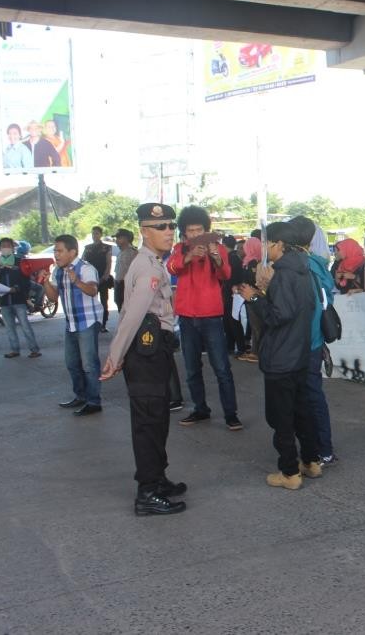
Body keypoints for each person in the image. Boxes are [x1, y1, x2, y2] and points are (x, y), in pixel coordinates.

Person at [100, 202, 187, 516]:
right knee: (149, 422)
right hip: (146, 352)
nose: (168, 232)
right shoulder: (149, 266)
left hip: (153, 350)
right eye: (160, 227)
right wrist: (115, 355)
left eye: (170, 225)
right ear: (143, 231)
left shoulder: (151, 261)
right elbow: (133, 315)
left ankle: (157, 479)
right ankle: (147, 492)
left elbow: (126, 310)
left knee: (158, 418)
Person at [239, 221, 323, 490]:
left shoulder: (284, 274)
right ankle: (311, 461)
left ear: (278, 245)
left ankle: (289, 472)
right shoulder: (304, 270)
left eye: (266, 243)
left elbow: (279, 315)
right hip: (299, 352)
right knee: (301, 412)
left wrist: (254, 298)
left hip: (281, 356)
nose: (264, 249)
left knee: (281, 418)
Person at [168, 206, 242, 431]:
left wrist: (217, 258)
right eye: (190, 230)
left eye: (198, 229)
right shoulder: (179, 249)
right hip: (187, 316)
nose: (194, 234)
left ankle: (231, 414)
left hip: (211, 315)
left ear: (205, 229)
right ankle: (200, 409)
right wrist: (189, 257)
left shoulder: (217, 248)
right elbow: (171, 267)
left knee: (221, 367)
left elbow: (226, 275)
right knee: (191, 367)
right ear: (184, 232)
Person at [290, 216, 339, 467]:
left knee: (304, 396)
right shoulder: (319, 264)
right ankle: (324, 448)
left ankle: (315, 450)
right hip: (315, 340)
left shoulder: (301, 266)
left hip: (301, 340)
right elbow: (326, 300)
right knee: (313, 394)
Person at [43, 234, 104, 417]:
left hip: (88, 322)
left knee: (89, 365)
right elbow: (53, 298)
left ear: (72, 252)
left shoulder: (85, 268)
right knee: (72, 363)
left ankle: (94, 402)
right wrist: (46, 282)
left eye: (60, 251)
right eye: (55, 250)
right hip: (71, 324)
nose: (56, 254)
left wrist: (76, 280)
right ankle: (81, 396)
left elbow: (93, 290)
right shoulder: (58, 271)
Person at [0, 237, 41, 359]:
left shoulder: (20, 262)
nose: (5, 248)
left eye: (8, 245)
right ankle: (14, 350)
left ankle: (34, 349)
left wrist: (18, 288)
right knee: (10, 328)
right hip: (4, 301)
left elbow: (26, 280)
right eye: (3, 246)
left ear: (13, 248)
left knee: (25, 326)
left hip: (18, 300)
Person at [237, 236, 264, 362]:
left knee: (256, 325)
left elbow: (253, 281)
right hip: (250, 296)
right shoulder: (250, 261)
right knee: (254, 325)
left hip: (254, 296)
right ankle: (255, 350)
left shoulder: (253, 262)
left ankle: (258, 352)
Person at [220, 235, 247, 357]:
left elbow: (228, 277)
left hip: (231, 293)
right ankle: (231, 345)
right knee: (230, 320)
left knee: (233, 320)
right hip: (232, 293)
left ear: (224, 246)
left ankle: (238, 347)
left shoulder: (230, 259)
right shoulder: (235, 257)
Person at [82, 226, 113, 332]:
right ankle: (92, 324)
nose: (94, 236)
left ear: (100, 234)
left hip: (102, 279)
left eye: (96, 233)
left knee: (104, 303)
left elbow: (109, 263)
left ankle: (103, 324)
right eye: (93, 233)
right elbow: (83, 262)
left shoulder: (107, 247)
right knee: (90, 303)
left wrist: (105, 276)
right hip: (90, 279)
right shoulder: (87, 248)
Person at [113, 228, 138, 312]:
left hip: (126, 285)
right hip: (118, 284)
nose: (116, 240)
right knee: (120, 306)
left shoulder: (133, 252)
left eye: (119, 238)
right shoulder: (121, 252)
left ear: (126, 239)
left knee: (127, 310)